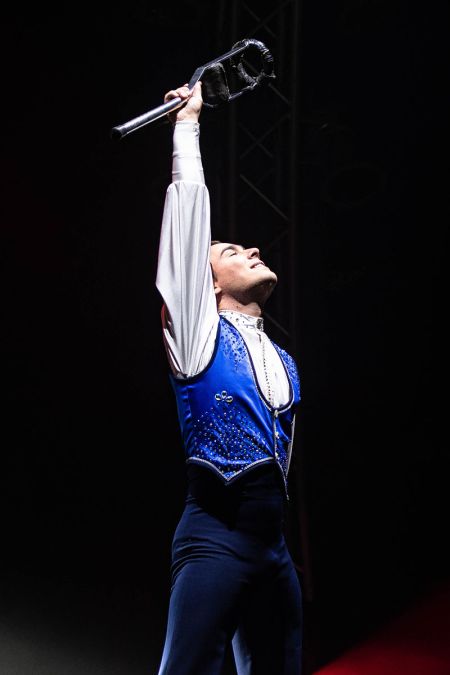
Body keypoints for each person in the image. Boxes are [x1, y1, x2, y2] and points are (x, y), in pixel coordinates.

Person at [155, 80, 303, 675]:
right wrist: (186, 127)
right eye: (231, 251)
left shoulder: (285, 360)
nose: (252, 250)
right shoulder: (197, 335)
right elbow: (187, 225)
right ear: (207, 283)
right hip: (215, 540)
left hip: (275, 551)